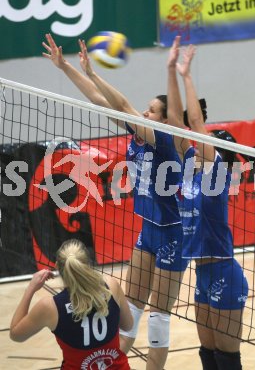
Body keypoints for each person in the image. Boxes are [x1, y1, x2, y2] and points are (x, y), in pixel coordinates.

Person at [42, 34, 188, 370]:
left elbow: (122, 106)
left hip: (172, 235)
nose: (143, 111)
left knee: (158, 319)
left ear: (163, 120)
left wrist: (95, 73)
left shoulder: (164, 140)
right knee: (131, 309)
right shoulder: (137, 136)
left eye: (150, 110)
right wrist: (67, 68)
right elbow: (99, 102)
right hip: (148, 230)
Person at [167, 36, 249, 370]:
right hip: (201, 274)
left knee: (227, 359)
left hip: (224, 273)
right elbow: (174, 121)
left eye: (208, 142)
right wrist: (170, 68)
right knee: (208, 355)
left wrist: (187, 76)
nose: (199, 142)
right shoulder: (190, 172)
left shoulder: (217, 178)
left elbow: (195, 125)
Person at [10, 239, 133, 369]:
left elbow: (15, 334)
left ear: (57, 266)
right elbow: (128, 325)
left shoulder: (49, 307)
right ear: (88, 264)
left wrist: (31, 288)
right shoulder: (110, 286)